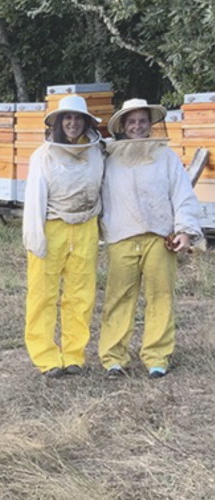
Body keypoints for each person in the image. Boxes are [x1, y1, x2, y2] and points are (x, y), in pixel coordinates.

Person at [99, 99, 203, 379]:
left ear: (150, 124)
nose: (137, 126)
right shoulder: (109, 157)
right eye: (131, 121)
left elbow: (182, 194)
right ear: (122, 125)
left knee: (160, 296)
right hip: (121, 236)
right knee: (119, 297)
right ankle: (113, 358)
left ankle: (157, 356)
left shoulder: (166, 156)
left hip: (159, 237)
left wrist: (184, 229)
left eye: (142, 121)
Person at [22, 95, 105, 379]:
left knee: (81, 295)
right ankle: (46, 357)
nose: (72, 123)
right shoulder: (42, 156)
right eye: (67, 118)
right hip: (51, 226)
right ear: (58, 123)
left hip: (86, 226)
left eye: (78, 118)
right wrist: (36, 238)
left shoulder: (96, 152)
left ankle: (74, 355)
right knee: (43, 294)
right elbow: (34, 199)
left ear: (86, 122)